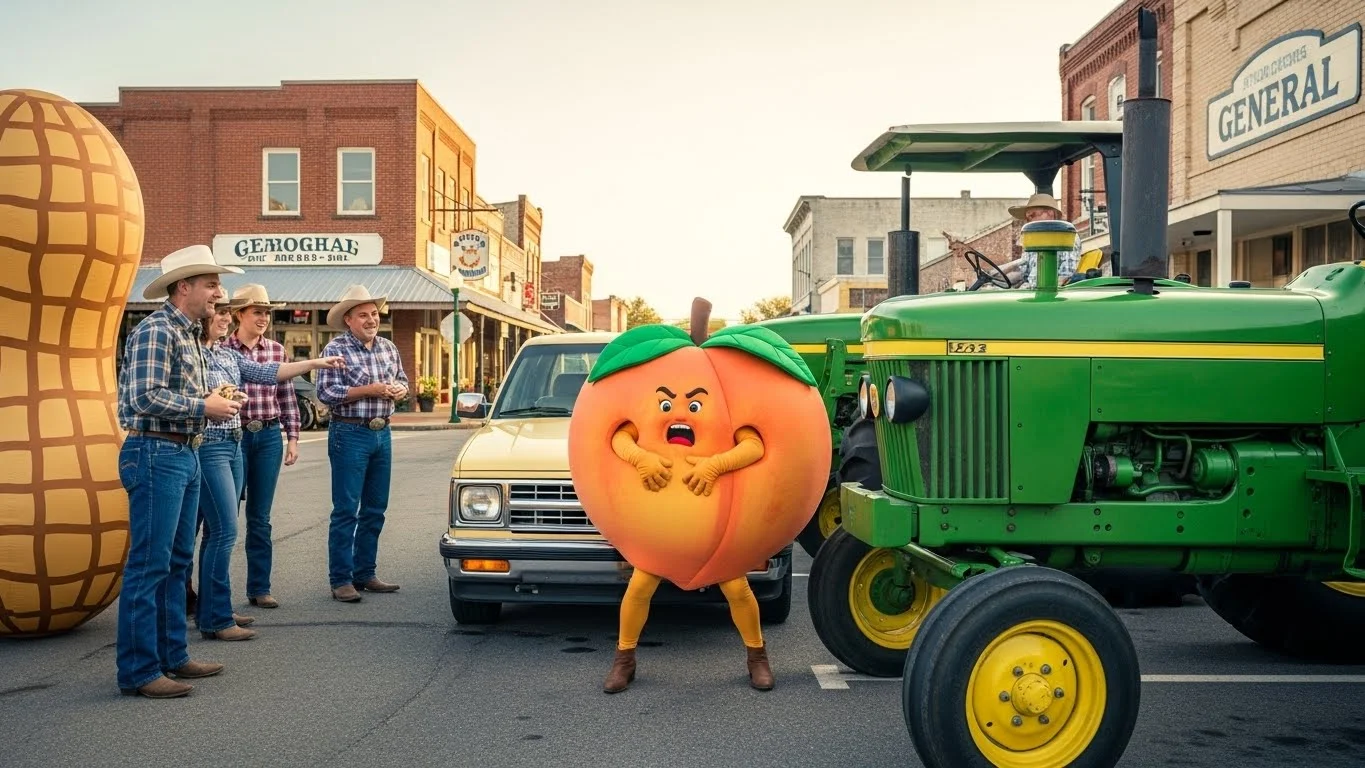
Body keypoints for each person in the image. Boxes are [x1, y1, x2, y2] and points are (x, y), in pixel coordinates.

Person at [115, 244, 243, 699]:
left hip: (182, 452)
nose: (218, 292)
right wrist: (203, 404)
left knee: (175, 563)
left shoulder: (187, 332)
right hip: (155, 454)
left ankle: (173, 656)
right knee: (149, 566)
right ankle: (139, 671)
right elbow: (140, 397)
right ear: (183, 287)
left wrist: (215, 401)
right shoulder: (156, 330)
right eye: (211, 284)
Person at [194, 298, 344, 641]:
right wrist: (209, 397)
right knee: (218, 530)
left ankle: (216, 611)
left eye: (224, 314)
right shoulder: (193, 353)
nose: (223, 319)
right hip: (211, 445)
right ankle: (212, 613)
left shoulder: (227, 355)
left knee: (232, 527)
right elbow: (181, 393)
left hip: (232, 443)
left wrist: (317, 361)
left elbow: (269, 374)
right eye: (218, 313)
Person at [316, 285, 409, 603]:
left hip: (382, 433)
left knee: (375, 509)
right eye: (363, 315)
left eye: (373, 314)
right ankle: (341, 580)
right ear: (348, 320)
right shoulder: (335, 350)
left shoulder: (388, 347)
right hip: (350, 433)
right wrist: (368, 389)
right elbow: (326, 394)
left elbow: (403, 381)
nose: (371, 320)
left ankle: (365, 573)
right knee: (346, 510)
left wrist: (398, 390)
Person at [222, 284, 298, 610]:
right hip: (234, 438)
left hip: (268, 437)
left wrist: (292, 437)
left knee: (260, 517)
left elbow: (286, 397)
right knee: (224, 519)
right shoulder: (223, 348)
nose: (264, 318)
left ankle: (260, 587)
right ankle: (216, 596)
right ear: (240, 314)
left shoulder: (277, 351)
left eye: (267, 312)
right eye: (257, 312)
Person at [945, 193, 1083, 289]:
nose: (1028, 220)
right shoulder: (1034, 241)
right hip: (1028, 292)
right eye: (1027, 217)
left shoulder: (1065, 236)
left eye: (1032, 215)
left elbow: (1064, 276)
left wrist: (1032, 291)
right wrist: (994, 280)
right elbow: (1022, 272)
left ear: (1050, 213)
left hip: (1046, 298)